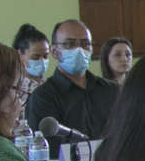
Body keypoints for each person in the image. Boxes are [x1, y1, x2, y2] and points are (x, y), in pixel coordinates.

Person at [26, 18, 119, 148]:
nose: (79, 50)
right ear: (54, 51)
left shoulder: (111, 90)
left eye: (85, 44)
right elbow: (46, 148)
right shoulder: (43, 97)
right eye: (69, 44)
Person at [12, 23, 51, 91]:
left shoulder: (51, 86)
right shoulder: (12, 88)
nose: (42, 61)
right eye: (35, 57)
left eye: (45, 56)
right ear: (20, 55)